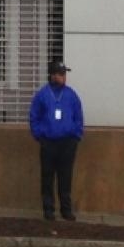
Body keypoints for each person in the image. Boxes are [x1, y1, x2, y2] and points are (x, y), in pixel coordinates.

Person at [28, 60, 85, 221]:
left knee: (65, 176)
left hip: (68, 142)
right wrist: (39, 135)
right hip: (48, 142)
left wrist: (76, 135)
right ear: (52, 75)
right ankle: (48, 209)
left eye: (64, 74)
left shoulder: (71, 95)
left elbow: (78, 116)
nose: (63, 77)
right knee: (47, 176)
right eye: (60, 74)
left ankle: (66, 209)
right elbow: (34, 116)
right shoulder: (42, 95)